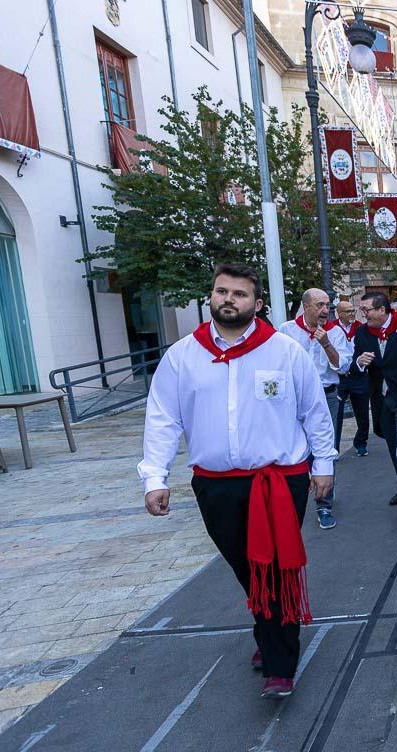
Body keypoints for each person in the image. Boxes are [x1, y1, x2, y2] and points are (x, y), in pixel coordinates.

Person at [139, 264, 336, 699]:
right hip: (215, 485)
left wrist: (324, 464)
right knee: (247, 568)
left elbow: (315, 413)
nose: (229, 299)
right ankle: (268, 630)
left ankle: (280, 665)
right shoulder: (182, 356)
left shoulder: (284, 352)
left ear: (257, 303)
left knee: (276, 568)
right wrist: (154, 476)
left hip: (280, 480)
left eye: (240, 294)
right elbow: (162, 419)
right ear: (211, 296)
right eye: (222, 291)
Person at [279, 288, 352, 530]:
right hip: (293, 400)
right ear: (306, 306)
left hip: (326, 396)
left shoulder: (335, 333)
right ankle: (293, 499)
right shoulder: (287, 331)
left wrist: (326, 343)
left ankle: (324, 504)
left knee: (325, 448)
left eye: (327, 305)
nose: (325, 310)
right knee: (294, 448)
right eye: (319, 305)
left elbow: (341, 367)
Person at [353, 291, 397, 524]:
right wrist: (360, 362)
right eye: (362, 311)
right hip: (381, 398)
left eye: (367, 310)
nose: (363, 315)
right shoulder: (363, 333)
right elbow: (355, 361)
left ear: (382, 310)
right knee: (393, 445)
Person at [334, 297, 371, 458]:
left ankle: (361, 443)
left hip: (358, 375)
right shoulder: (332, 329)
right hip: (340, 377)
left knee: (362, 413)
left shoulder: (361, 329)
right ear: (338, 313)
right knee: (337, 414)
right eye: (347, 311)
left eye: (352, 310)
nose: (351, 314)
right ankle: (333, 447)